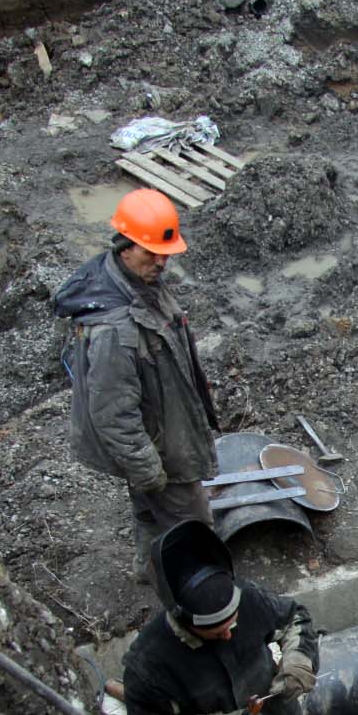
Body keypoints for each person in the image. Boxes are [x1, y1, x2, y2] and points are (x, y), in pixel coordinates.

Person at [54, 187, 220, 582]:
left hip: (161, 431)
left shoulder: (132, 280)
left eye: (166, 254)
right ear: (125, 246)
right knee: (196, 533)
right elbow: (113, 414)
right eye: (151, 253)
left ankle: (151, 571)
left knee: (149, 513)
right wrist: (149, 470)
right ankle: (198, 606)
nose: (161, 262)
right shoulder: (114, 328)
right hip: (159, 452)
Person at [122, 520, 321, 715]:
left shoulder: (247, 597)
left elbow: (295, 618)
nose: (229, 635)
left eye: (234, 624)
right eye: (217, 632)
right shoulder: (149, 663)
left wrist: (298, 658)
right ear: (185, 621)